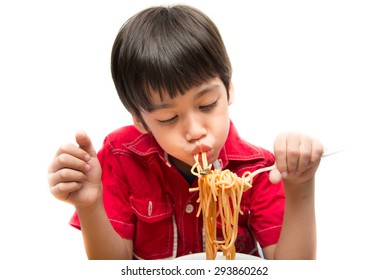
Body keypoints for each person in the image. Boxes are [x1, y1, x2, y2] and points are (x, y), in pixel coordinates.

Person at [48, 5, 323, 260]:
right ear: (140, 120)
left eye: (207, 105)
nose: (194, 131)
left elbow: (291, 270)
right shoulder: (121, 158)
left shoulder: (258, 171)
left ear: (228, 91)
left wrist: (301, 184)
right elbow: (115, 268)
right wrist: (89, 206)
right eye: (168, 118)